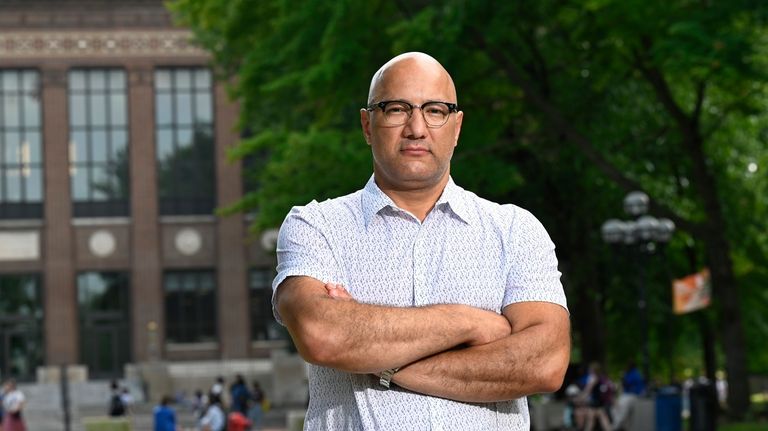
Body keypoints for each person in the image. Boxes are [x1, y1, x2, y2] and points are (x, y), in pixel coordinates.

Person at [272, 52, 571, 430]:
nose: (416, 128)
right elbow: (323, 335)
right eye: (396, 109)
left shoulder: (515, 230)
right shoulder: (316, 225)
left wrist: (381, 360)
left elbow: (544, 363)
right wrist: (469, 323)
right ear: (367, 125)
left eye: (435, 110)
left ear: (457, 126)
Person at [577, 362, 614, 431]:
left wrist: (580, 398)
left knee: (591, 421)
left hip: (595, 402)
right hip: (599, 401)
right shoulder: (600, 377)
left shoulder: (594, 378)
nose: (589, 370)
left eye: (590, 369)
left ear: (593, 370)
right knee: (601, 419)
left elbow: (588, 390)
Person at [611, 361, 645, 430]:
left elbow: (625, 383)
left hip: (628, 395)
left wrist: (622, 376)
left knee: (618, 411)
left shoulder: (631, 374)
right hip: (635, 396)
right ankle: (625, 428)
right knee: (629, 416)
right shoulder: (638, 373)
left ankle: (615, 427)